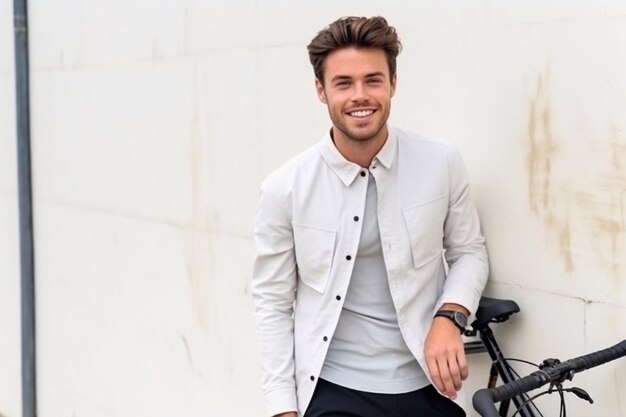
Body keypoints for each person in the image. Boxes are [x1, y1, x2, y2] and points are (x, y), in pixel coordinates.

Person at [252, 16, 488, 417]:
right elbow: (272, 303)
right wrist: (282, 409)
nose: (360, 95)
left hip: (427, 384)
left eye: (373, 80)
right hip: (333, 388)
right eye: (343, 83)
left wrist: (450, 317)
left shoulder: (440, 162)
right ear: (320, 90)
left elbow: (469, 251)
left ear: (393, 84)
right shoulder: (284, 188)